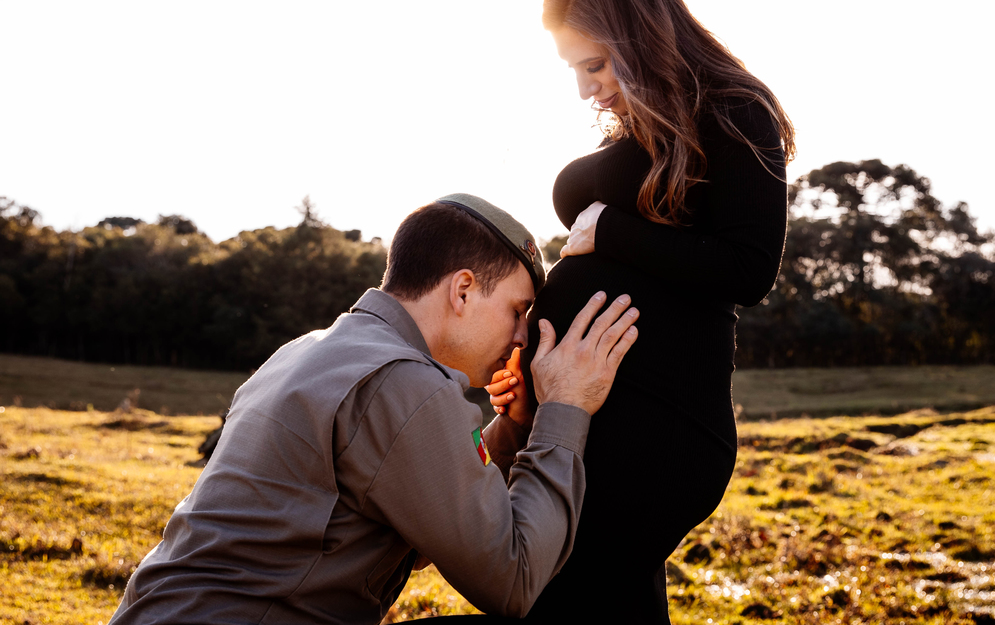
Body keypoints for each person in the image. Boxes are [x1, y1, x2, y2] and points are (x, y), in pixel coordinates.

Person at [108, 193, 640, 624]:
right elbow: (512, 580)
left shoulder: (309, 349)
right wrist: (565, 409)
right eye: (518, 310)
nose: (522, 335)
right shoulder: (406, 382)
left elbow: (427, 515)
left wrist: (513, 427)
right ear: (463, 290)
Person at [490, 0, 795, 624]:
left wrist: (609, 231)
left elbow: (749, 270)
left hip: (661, 426)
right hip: (585, 418)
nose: (584, 87)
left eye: (594, 64)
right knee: (602, 603)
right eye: (573, 68)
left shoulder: (735, 111)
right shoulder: (643, 130)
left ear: (639, 36)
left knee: (566, 599)